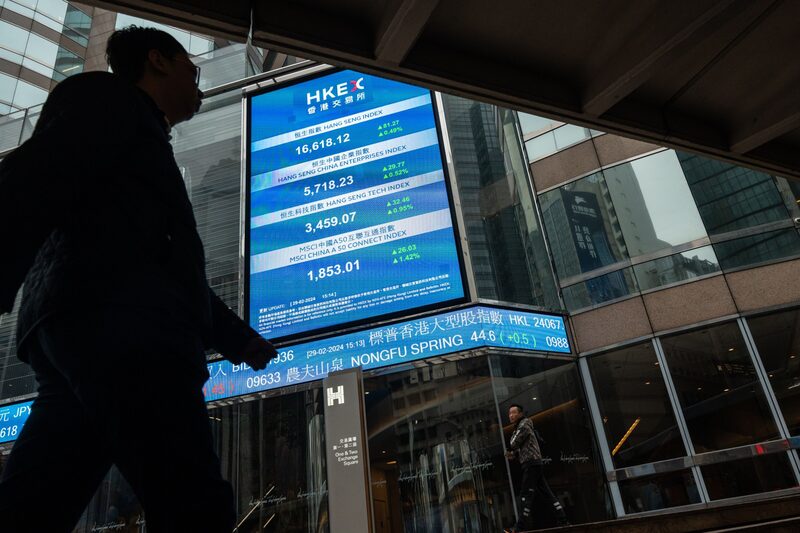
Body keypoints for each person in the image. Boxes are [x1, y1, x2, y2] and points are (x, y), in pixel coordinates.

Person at [0, 26, 277, 532]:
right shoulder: (106, 103)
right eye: (192, 71)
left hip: (84, 330)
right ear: (157, 61)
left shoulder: (132, 132)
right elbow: (35, 176)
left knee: (33, 506)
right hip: (124, 330)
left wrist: (238, 339)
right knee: (192, 498)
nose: (198, 86)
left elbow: (156, 260)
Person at [505, 404, 568, 531]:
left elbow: (513, 443)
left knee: (525, 495)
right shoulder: (521, 426)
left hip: (531, 464)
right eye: (509, 413)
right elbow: (521, 446)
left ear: (520, 413)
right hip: (533, 463)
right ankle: (563, 519)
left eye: (513, 412)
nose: (511, 415)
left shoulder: (524, 425)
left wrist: (512, 448)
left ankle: (518, 527)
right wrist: (514, 454)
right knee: (547, 493)